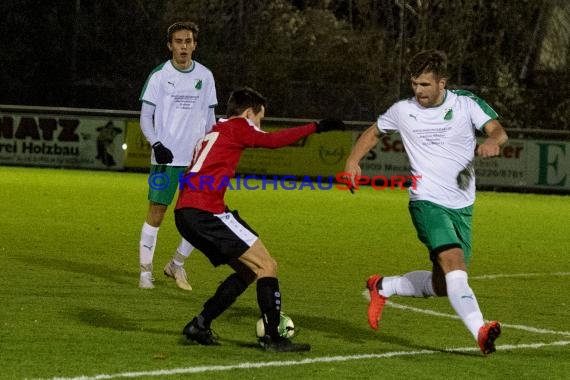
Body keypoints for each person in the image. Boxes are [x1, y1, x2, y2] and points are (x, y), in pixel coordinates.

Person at [344, 49, 508, 355]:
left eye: (425, 85)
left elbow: (498, 131)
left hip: (462, 207)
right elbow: (373, 132)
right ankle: (481, 332)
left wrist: (491, 141)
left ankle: (383, 286)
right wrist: (353, 160)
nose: (418, 91)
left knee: (446, 283)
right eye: (415, 84)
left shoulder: (466, 104)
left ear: (442, 83)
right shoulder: (403, 110)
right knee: (454, 264)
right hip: (426, 202)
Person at [174, 87, 345, 352]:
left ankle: (201, 324)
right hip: (206, 211)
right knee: (267, 265)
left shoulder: (214, 131)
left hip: (186, 212)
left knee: (249, 270)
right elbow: (274, 141)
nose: (259, 125)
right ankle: (274, 338)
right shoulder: (239, 125)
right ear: (247, 113)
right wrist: (316, 127)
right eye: (260, 119)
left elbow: (188, 173)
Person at [138, 21, 218, 290]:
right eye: (179, 41)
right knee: (157, 213)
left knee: (200, 216)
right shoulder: (159, 76)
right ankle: (145, 272)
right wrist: (156, 144)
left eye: (188, 41)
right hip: (166, 160)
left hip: (196, 161)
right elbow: (145, 116)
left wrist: (210, 149)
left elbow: (209, 118)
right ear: (170, 45)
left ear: (195, 44)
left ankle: (177, 264)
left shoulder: (205, 76)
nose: (184, 46)